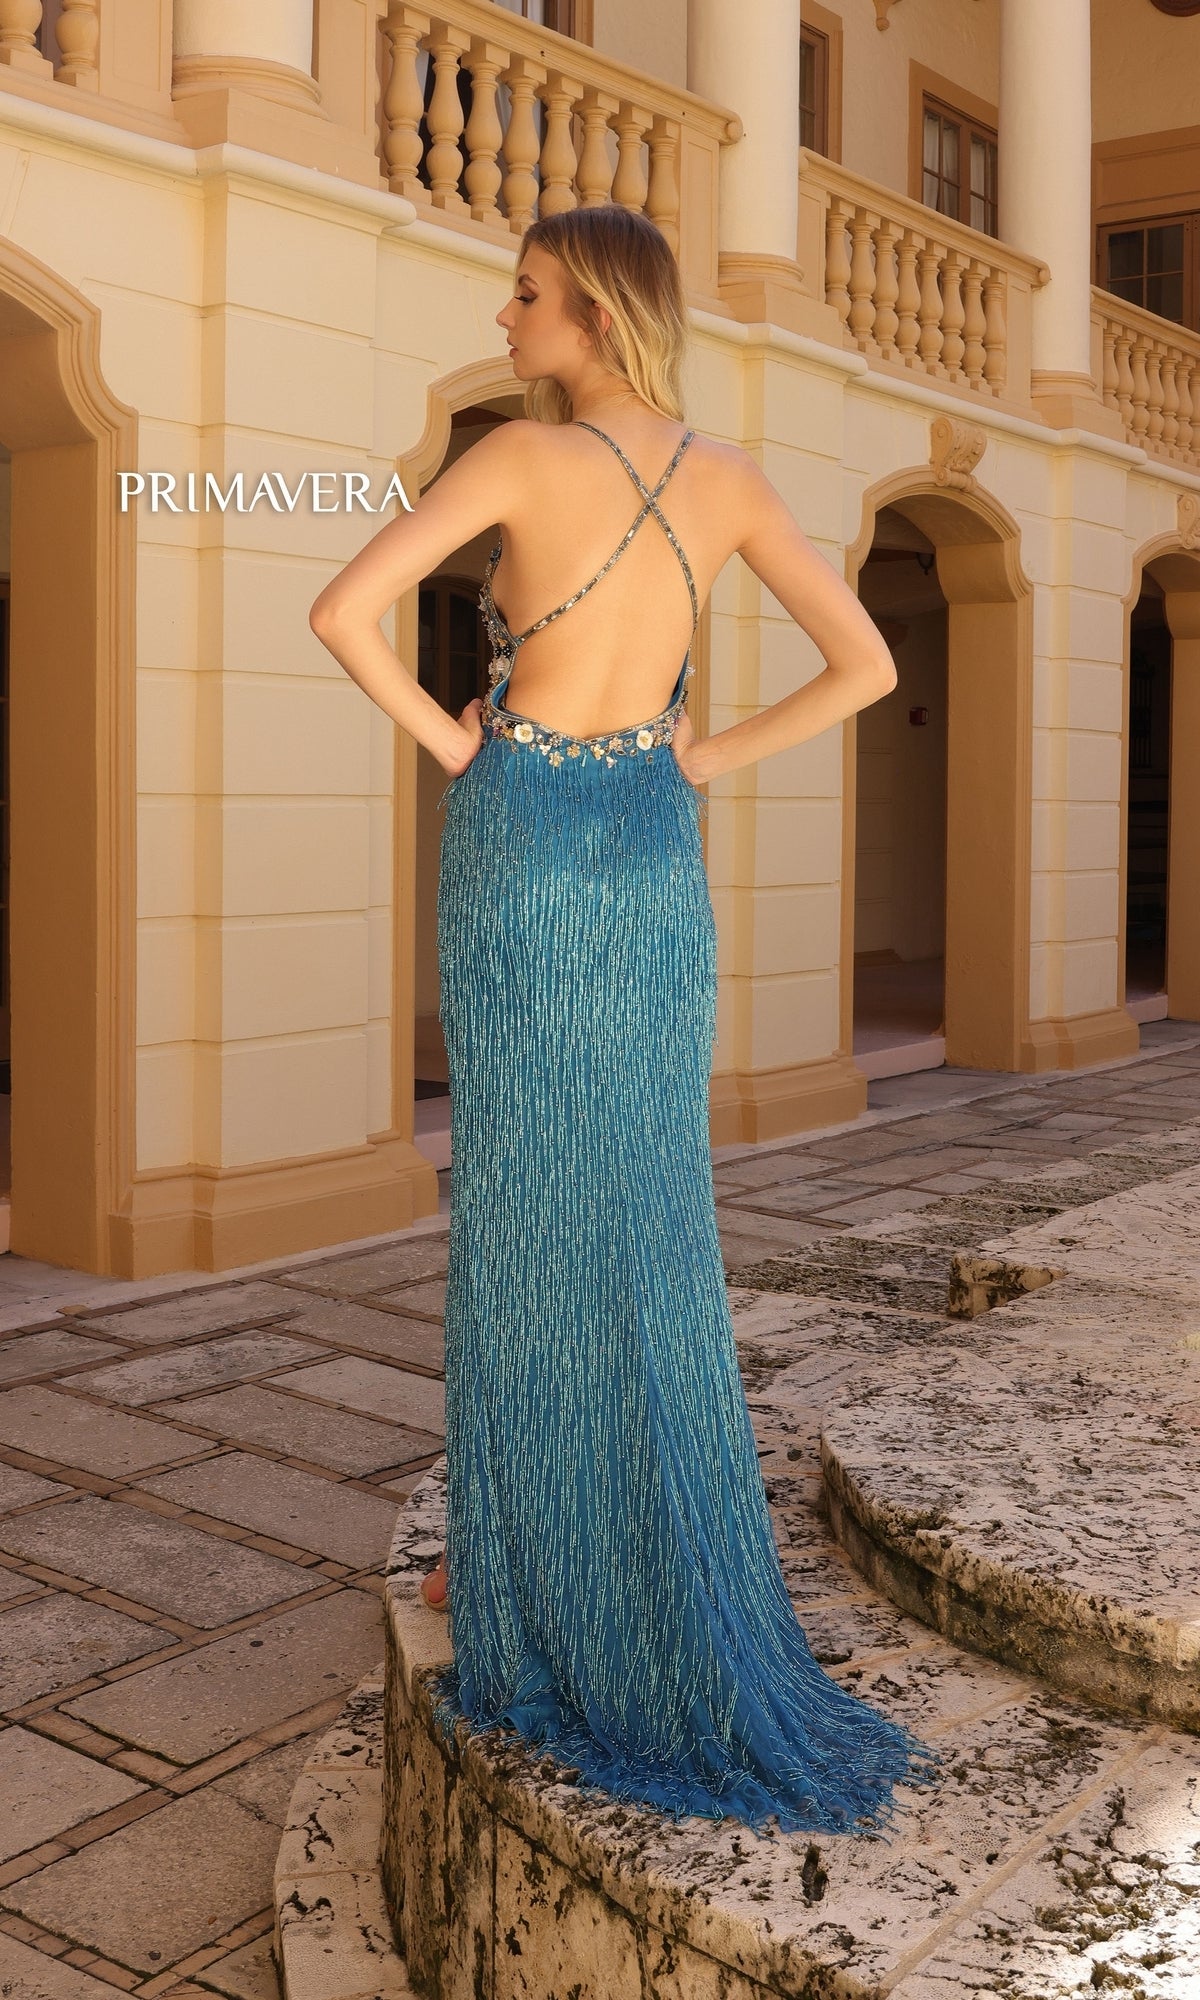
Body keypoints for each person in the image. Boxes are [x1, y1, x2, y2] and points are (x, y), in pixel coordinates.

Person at [309, 205, 942, 1839]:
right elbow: (866, 663)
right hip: (653, 855)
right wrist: (699, 763)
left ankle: (526, 1569)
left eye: (524, 295)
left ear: (588, 310)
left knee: (523, 1209)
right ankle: (606, 1552)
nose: (505, 314)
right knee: (650, 1208)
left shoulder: (513, 463)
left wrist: (462, 754)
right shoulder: (728, 477)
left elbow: (339, 614)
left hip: (522, 846)